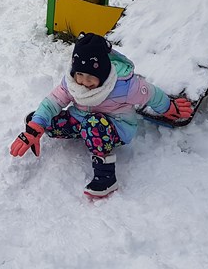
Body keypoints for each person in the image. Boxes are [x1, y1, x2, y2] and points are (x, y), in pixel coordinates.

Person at [10, 32, 193, 197]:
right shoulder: (72, 82)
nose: (84, 81)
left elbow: (151, 94)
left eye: (91, 76)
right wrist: (36, 125)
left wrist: (169, 107)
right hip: (81, 120)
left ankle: (106, 177)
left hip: (115, 128)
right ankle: (40, 125)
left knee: (94, 123)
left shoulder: (124, 85)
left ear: (103, 72)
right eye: (80, 74)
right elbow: (54, 101)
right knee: (47, 120)